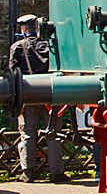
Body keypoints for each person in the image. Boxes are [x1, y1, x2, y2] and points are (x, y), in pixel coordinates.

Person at [10, 14, 68, 183]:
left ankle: (27, 173)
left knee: (27, 134)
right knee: (54, 134)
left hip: (28, 96)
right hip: (51, 95)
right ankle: (56, 173)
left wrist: (16, 102)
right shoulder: (49, 45)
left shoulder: (17, 47)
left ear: (23, 29)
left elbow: (12, 75)